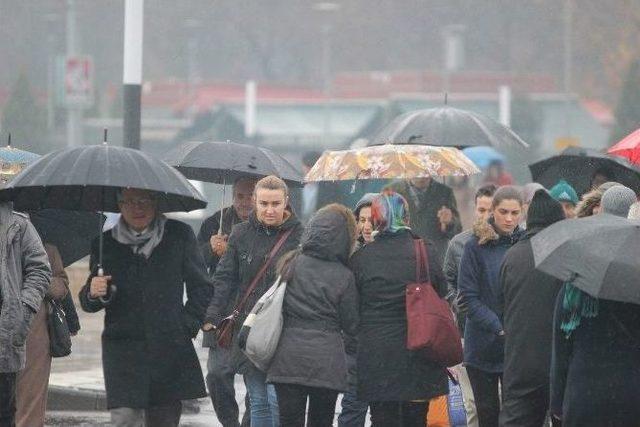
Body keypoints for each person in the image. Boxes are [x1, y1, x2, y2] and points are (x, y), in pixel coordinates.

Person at [79, 189, 212, 427]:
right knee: (124, 418)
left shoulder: (179, 235)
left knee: (163, 420)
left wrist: (186, 326)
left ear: (155, 203)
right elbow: (89, 302)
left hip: (168, 347)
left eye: (143, 201)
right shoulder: (105, 244)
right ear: (119, 205)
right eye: (129, 202)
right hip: (123, 349)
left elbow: (201, 287)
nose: (136, 208)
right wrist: (93, 292)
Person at [203, 175, 303, 427]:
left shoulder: (299, 235)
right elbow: (224, 277)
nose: (270, 210)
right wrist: (212, 315)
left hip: (280, 324)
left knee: (269, 397)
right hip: (244, 322)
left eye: (276, 204)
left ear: (286, 203)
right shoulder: (240, 233)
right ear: (256, 203)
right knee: (238, 387)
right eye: (264, 203)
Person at [350, 192, 448, 426]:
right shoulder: (425, 251)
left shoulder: (362, 258)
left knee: (384, 419)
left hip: (378, 357)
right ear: (406, 217)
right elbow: (441, 290)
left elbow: (353, 305)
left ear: (376, 219)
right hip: (420, 349)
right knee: (416, 420)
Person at [267, 204, 359, 427]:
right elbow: (352, 324)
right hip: (326, 364)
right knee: (321, 421)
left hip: (287, 359)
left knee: (289, 421)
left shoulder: (291, 262)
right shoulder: (345, 276)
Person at [458, 186, 523, 427]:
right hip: (482, 345)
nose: (509, 218)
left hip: (515, 346)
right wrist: (498, 326)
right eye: (503, 212)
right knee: (486, 413)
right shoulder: (475, 246)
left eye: (515, 213)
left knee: (514, 415)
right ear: (492, 211)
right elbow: (467, 297)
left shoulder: (524, 243)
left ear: (522, 212)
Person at [499, 190, 565, 427]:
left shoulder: (512, 256)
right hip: (559, 360)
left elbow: (501, 305)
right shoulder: (565, 253)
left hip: (520, 361)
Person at [198, 177, 256, 427]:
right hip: (221, 309)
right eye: (240, 196)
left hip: (255, 311)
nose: (245, 203)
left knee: (257, 379)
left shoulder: (267, 225)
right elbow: (195, 264)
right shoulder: (215, 222)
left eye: (250, 197)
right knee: (217, 373)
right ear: (233, 196)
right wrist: (211, 249)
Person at [443, 184, 496, 427]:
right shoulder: (458, 244)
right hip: (467, 332)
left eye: (490, 210)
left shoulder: (511, 242)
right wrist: (457, 303)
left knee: (502, 402)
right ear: (475, 209)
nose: (485, 216)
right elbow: (447, 281)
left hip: (502, 334)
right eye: (481, 209)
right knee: (473, 404)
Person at [550, 283, 640, 423]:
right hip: (631, 394)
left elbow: (561, 352)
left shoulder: (572, 291)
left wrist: (556, 401)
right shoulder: (634, 287)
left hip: (583, 395)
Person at [0, 202, 51, 427]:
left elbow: (40, 269)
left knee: (3, 411)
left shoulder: (18, 224)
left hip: (4, 333)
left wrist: (24, 308)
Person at [15, 244, 68, 427]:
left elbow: (61, 286)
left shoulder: (47, 249)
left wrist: (39, 280)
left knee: (30, 402)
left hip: (34, 338)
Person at [337, 193, 377, 427]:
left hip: (385, 342)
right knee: (352, 406)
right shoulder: (349, 253)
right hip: (354, 343)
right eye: (361, 220)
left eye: (372, 219)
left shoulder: (393, 254)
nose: (366, 225)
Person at [387, 177, 461, 267]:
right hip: (402, 262)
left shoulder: (445, 192)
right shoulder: (392, 191)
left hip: (435, 263)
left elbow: (457, 232)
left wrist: (449, 222)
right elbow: (382, 227)